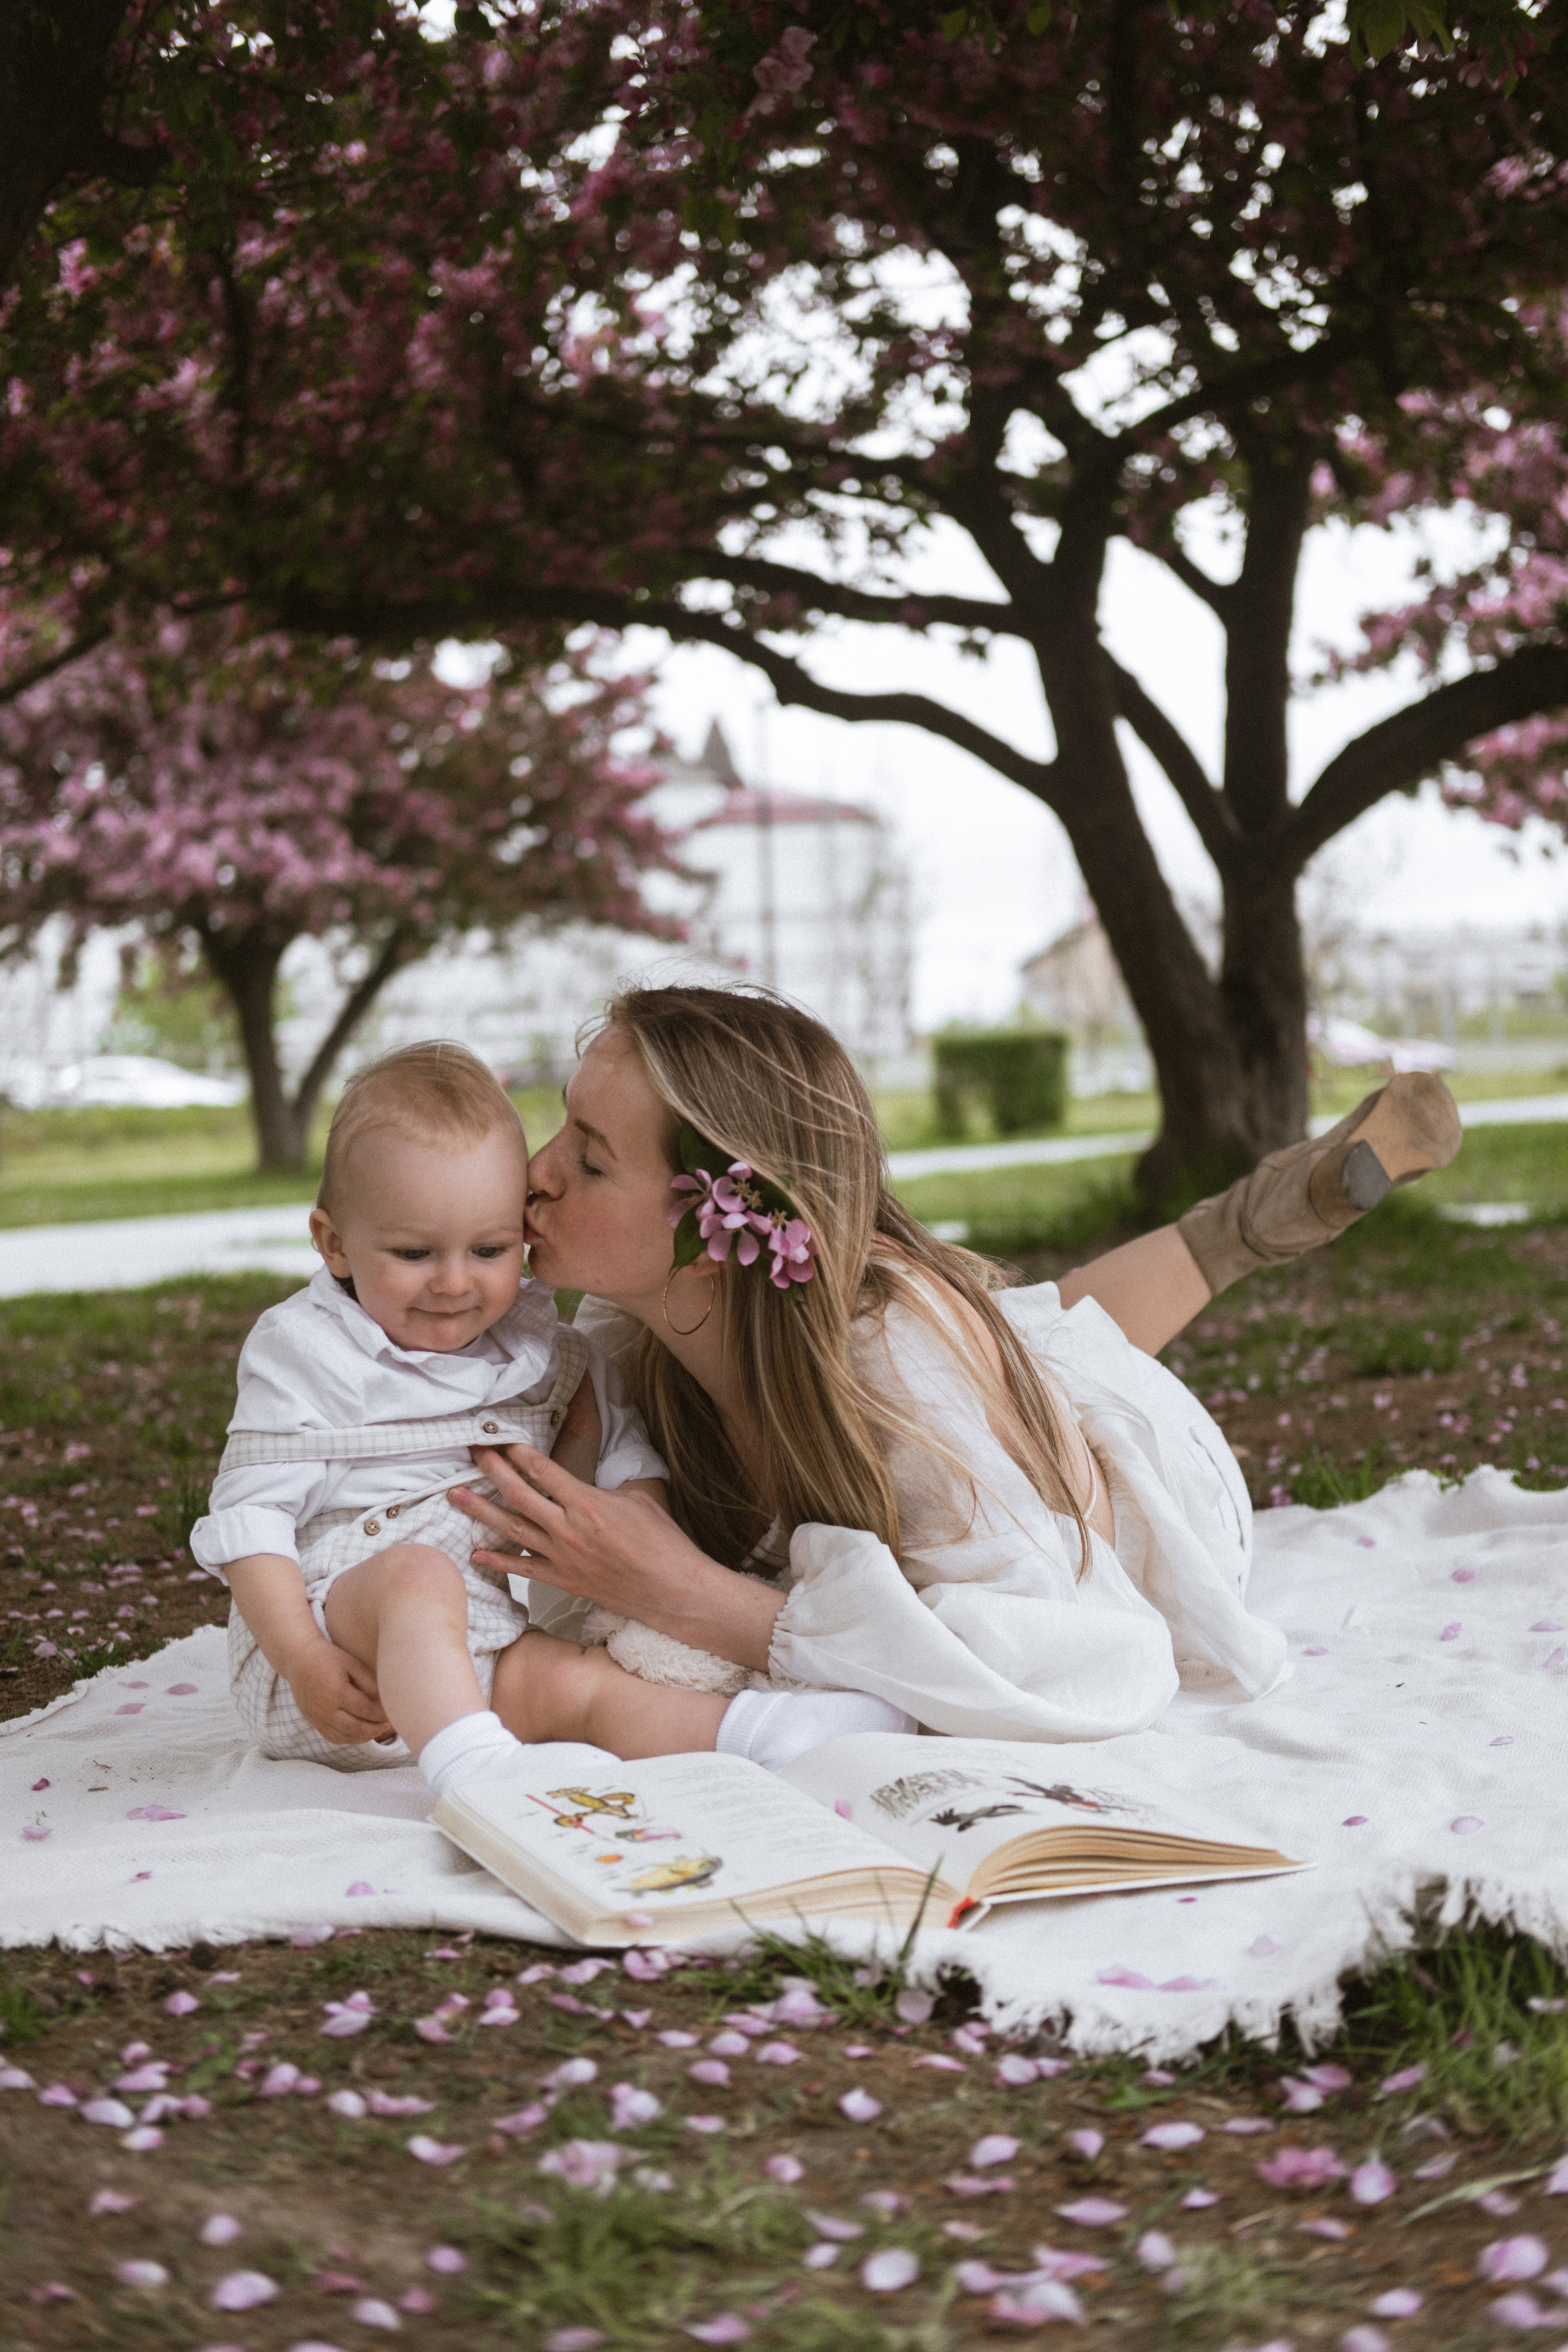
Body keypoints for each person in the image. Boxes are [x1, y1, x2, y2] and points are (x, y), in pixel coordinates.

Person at [447, 987, 1461, 1747]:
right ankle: (1240, 1224)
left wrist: (701, 1600)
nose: (535, 1172)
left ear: (717, 1225)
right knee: (1034, 1333)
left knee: (1044, 1360)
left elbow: (1093, 1659)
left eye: (588, 1155)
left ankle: (1241, 1228)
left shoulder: (897, 1362)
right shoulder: (628, 1331)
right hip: (972, 1370)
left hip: (1158, 1500)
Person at [190, 1042, 911, 1803]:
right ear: (333, 1243)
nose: (454, 1281)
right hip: (327, 1652)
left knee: (583, 1689)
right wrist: (301, 1659)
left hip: (475, 1657)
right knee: (417, 1573)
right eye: (413, 1252)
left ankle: (770, 1734)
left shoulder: (544, 1353)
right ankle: (475, 1775)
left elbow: (627, 1461)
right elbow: (250, 1518)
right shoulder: (308, 1350)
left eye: (490, 1249)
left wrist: (637, 1520)